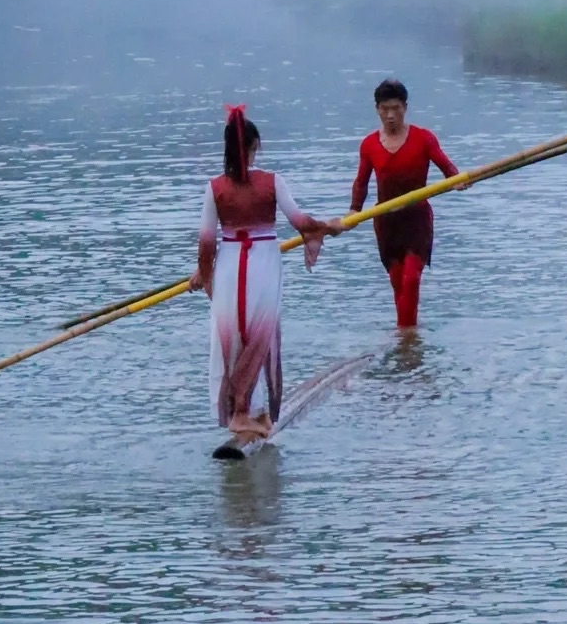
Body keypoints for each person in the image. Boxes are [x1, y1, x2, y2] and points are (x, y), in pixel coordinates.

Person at [190, 107, 336, 440]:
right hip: (263, 267)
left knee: (233, 335)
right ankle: (245, 412)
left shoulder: (215, 189)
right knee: (260, 335)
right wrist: (327, 228)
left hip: (228, 266)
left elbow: (206, 243)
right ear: (256, 145)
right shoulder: (272, 182)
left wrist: (203, 273)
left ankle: (246, 411)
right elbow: (301, 223)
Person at [348, 78, 459, 331]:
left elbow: (446, 166)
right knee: (398, 281)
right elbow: (362, 182)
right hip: (386, 221)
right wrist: (355, 210)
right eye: (384, 109)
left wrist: (456, 180)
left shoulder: (423, 138)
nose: (390, 116)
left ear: (405, 108)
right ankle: (406, 336)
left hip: (416, 220)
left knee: (411, 279)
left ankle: (406, 341)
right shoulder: (369, 145)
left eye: (396, 109)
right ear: (377, 109)